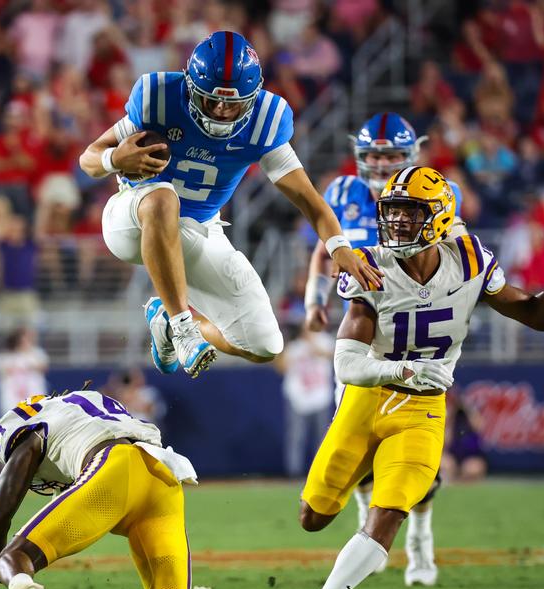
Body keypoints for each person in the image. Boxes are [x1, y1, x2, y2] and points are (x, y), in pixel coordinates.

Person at [294, 166, 544, 589]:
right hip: (367, 399)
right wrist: (402, 368)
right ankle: (362, 489)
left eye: (409, 213)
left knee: (388, 513)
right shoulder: (371, 264)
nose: (397, 223)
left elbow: (538, 318)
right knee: (312, 518)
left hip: (424, 410)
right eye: (392, 212)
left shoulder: (470, 260)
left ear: (440, 216)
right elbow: (346, 365)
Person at [79, 31, 378, 379]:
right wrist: (115, 157)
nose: (221, 111)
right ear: (191, 89)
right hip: (131, 219)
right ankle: (182, 326)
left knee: (265, 344)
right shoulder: (159, 97)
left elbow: (308, 199)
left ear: (251, 98)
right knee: (162, 197)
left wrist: (339, 245)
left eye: (232, 103)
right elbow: (88, 159)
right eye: (211, 101)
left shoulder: (266, 120)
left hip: (199, 229)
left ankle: (165, 318)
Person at [303, 113, 462, 587]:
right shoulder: (342, 193)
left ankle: (420, 539)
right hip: (360, 339)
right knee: (358, 448)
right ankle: (366, 532)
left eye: (392, 155)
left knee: (414, 457)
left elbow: (459, 260)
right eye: (373, 154)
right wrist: (314, 297)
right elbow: (325, 246)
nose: (381, 163)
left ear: (411, 155)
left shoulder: (435, 195)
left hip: (413, 338)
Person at [0, 387, 214, 589]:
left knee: (13, 557)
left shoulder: (32, 434)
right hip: (162, 479)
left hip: (114, 472)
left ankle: (21, 588)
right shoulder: (81, 408)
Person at [275, 326, 335, 478]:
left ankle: (320, 473)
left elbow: (334, 356)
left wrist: (313, 345)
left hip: (320, 396)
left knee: (322, 437)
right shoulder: (294, 346)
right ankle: (293, 473)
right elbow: (281, 367)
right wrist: (282, 346)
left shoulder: (324, 340)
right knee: (296, 436)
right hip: (298, 398)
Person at [0, 329, 48, 420]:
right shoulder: (4, 356)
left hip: (33, 396)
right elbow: (1, 371)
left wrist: (29, 363)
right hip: (12, 397)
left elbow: (43, 367)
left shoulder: (37, 353)